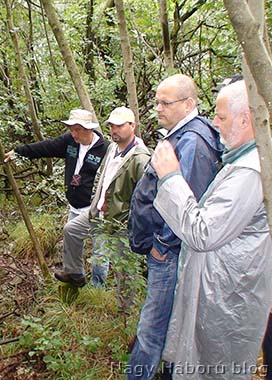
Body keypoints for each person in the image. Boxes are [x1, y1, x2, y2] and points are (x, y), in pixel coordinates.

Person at [151, 79, 272, 379]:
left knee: (216, 366)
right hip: (217, 289)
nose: (214, 123)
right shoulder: (240, 159)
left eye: (220, 116)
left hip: (228, 296)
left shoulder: (250, 171)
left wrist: (170, 178)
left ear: (246, 119)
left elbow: (203, 232)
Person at [127, 74, 223, 379]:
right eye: (156, 101)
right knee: (165, 324)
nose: (158, 108)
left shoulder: (192, 142)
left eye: (165, 102)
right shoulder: (181, 135)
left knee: (152, 328)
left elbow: (187, 201)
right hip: (166, 251)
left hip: (170, 254)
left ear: (188, 104)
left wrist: (162, 246)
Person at [53, 106, 150, 288]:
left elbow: (145, 198)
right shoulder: (112, 148)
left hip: (121, 221)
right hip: (98, 213)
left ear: (132, 126)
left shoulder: (140, 158)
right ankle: (75, 274)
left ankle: (124, 310)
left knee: (124, 269)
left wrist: (133, 224)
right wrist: (95, 203)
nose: (114, 130)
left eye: (119, 126)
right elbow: (102, 177)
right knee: (71, 230)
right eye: (112, 126)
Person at [4, 108, 108, 221]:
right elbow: (46, 147)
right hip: (74, 208)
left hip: (92, 209)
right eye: (71, 130)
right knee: (70, 236)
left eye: (77, 130)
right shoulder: (69, 141)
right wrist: (18, 152)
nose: (73, 134)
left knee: (93, 238)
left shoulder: (105, 149)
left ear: (89, 129)